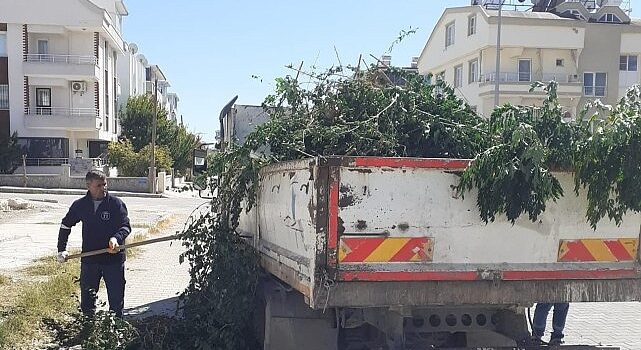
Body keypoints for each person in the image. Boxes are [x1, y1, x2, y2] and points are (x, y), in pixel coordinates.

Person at [57, 169, 131, 318]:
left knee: (116, 300)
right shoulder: (80, 205)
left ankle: (117, 330)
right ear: (88, 186)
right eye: (99, 185)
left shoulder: (116, 204)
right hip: (90, 259)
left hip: (113, 259)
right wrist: (61, 249)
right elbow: (66, 225)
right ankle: (88, 327)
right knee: (88, 299)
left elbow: (125, 226)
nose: (103, 188)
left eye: (104, 184)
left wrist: (116, 238)